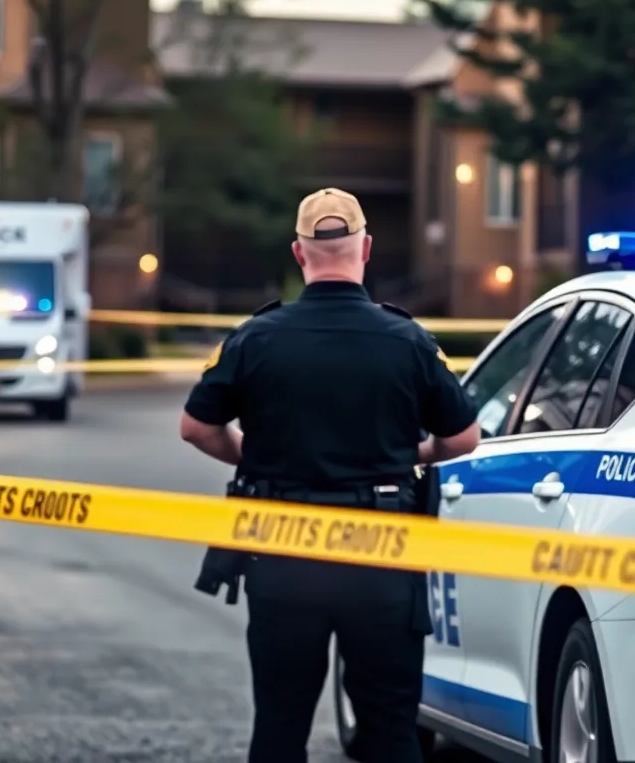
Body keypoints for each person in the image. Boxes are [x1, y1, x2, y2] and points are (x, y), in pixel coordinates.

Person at [179, 186, 481, 763]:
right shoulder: (409, 341)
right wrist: (404, 453)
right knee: (391, 728)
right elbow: (463, 437)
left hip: (283, 547)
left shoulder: (255, 338)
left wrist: (259, 457)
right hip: (382, 551)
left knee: (281, 724)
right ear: (366, 248)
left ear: (299, 254)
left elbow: (196, 427)